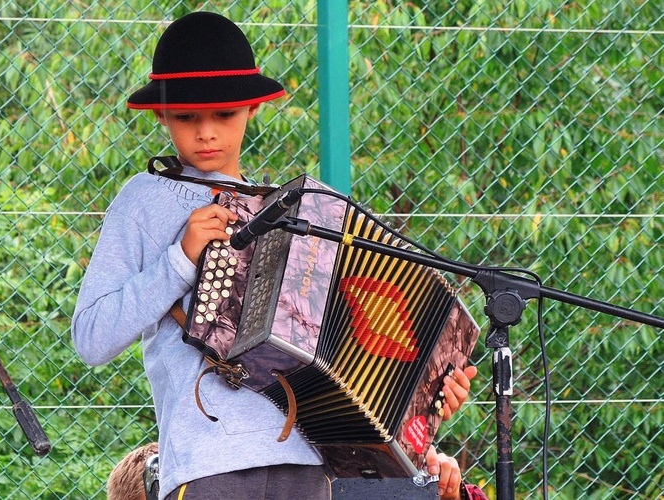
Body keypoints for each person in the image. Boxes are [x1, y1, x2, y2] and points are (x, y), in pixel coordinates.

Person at [72, 11, 483, 500]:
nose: (206, 132)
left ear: (252, 109)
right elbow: (91, 339)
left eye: (223, 114)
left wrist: (426, 397)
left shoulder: (298, 214)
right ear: (161, 115)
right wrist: (180, 260)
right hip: (208, 465)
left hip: (307, 464)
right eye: (186, 117)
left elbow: (357, 345)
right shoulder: (144, 199)